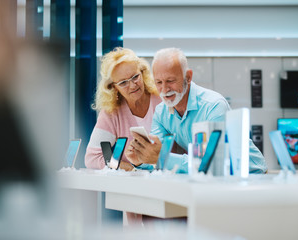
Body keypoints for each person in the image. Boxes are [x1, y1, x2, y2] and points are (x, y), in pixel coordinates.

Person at [126, 48, 267, 174]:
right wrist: (140, 160)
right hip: (218, 177)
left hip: (253, 176)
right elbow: (156, 158)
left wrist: (162, 157)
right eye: (159, 82)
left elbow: (209, 162)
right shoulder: (161, 112)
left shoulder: (213, 106)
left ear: (188, 77)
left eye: (170, 80)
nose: (164, 89)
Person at [85, 47, 161, 171]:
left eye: (135, 77)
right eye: (123, 83)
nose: (132, 85)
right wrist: (130, 169)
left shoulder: (161, 99)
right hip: (133, 184)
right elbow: (93, 158)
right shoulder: (112, 112)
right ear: (114, 88)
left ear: (142, 72)